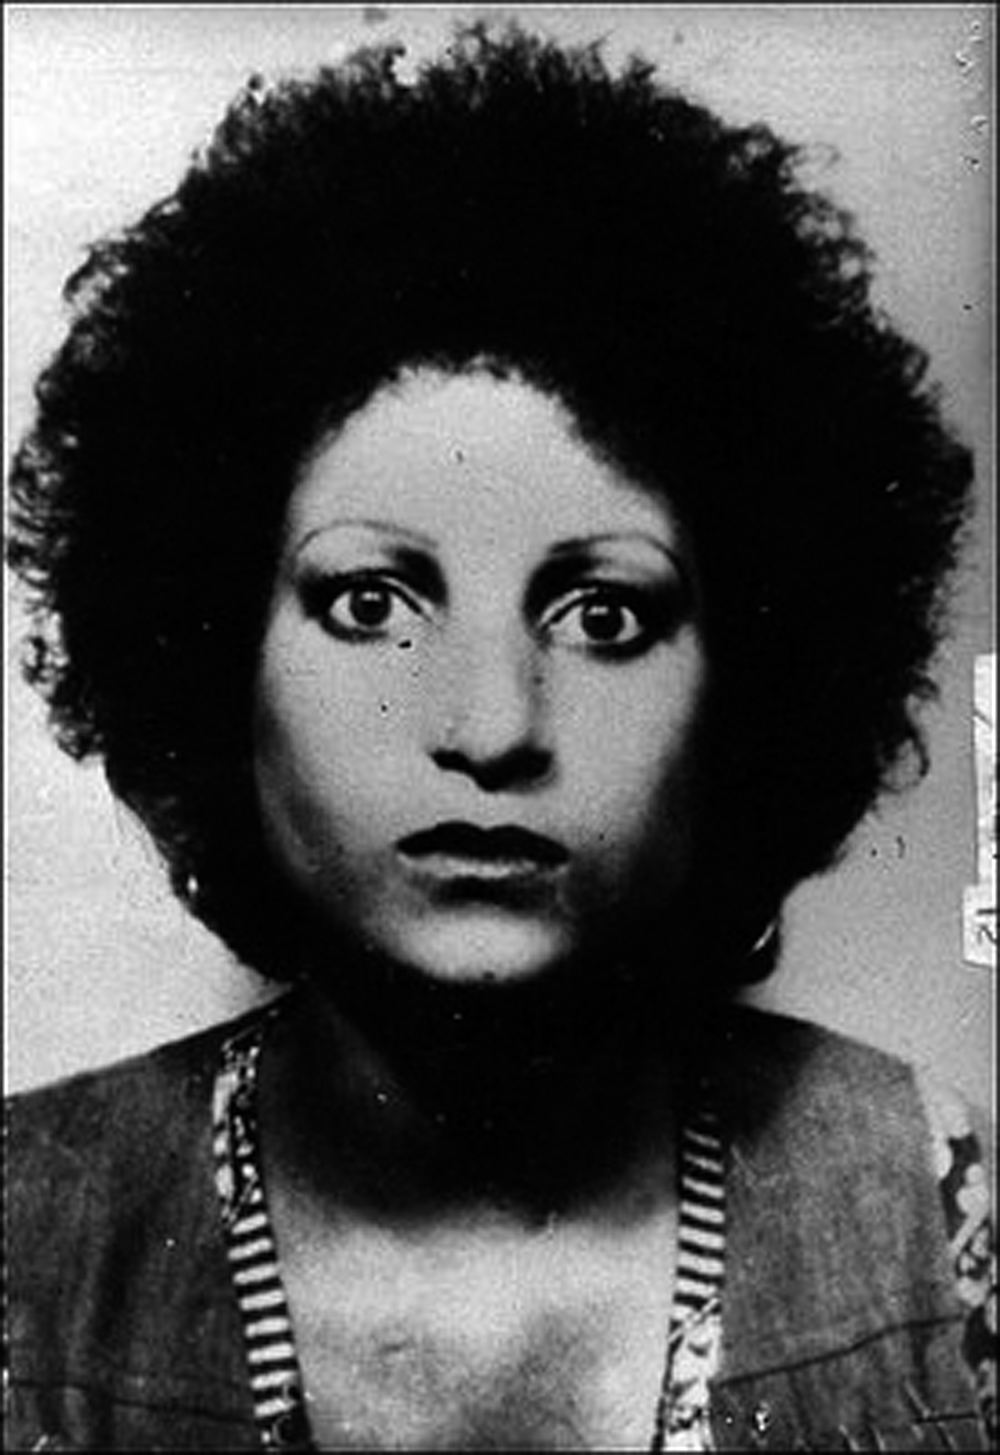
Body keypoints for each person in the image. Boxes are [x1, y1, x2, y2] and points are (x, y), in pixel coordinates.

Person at [4, 21, 994, 1453]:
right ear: (215, 660)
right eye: (371, 603)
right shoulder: (23, 1239)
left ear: (750, 685)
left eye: (603, 614)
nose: (492, 727)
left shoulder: (928, 1202)